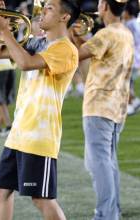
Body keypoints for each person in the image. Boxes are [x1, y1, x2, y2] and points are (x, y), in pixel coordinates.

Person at [0, 0, 80, 219]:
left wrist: (4, 30)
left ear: (64, 17)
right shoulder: (36, 42)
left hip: (40, 136)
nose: (42, 11)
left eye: (49, 8)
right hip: (19, 132)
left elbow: (26, 64)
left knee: (41, 199)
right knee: (1, 191)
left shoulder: (66, 49)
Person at [71, 0, 134, 219]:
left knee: (99, 165)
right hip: (117, 107)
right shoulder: (124, 33)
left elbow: (75, 55)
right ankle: (112, 211)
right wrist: (77, 35)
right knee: (109, 163)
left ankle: (106, 214)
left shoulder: (106, 35)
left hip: (99, 106)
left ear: (105, 7)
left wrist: (68, 27)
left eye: (100, 3)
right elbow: (90, 50)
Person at [122, 0, 140, 115]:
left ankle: (129, 105)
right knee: (129, 83)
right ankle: (135, 102)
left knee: (125, 83)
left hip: (131, 59)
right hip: (135, 59)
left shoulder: (129, 25)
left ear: (128, 12)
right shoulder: (135, 23)